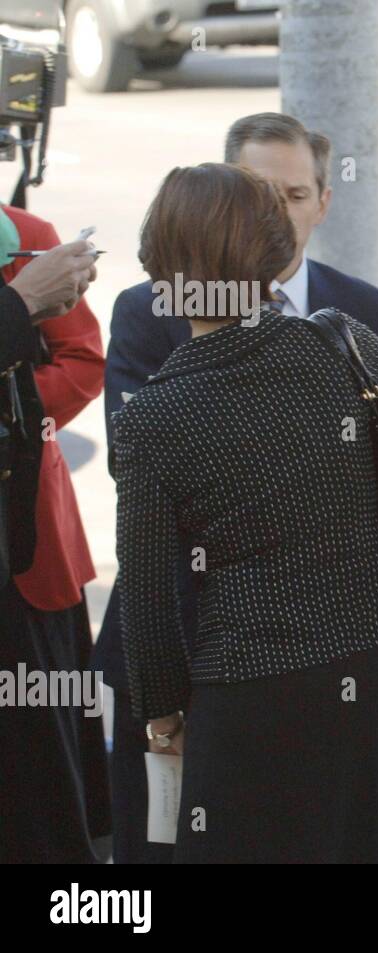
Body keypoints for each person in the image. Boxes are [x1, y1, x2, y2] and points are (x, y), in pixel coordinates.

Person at [113, 163, 378, 863]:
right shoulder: (333, 342)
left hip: (247, 696)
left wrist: (162, 717)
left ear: (161, 275)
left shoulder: (150, 419)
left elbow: (148, 602)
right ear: (278, 257)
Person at [0, 220, 104, 864]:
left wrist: (12, 409)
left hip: (27, 552)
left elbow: (83, 358)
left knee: (45, 782)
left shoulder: (23, 233)